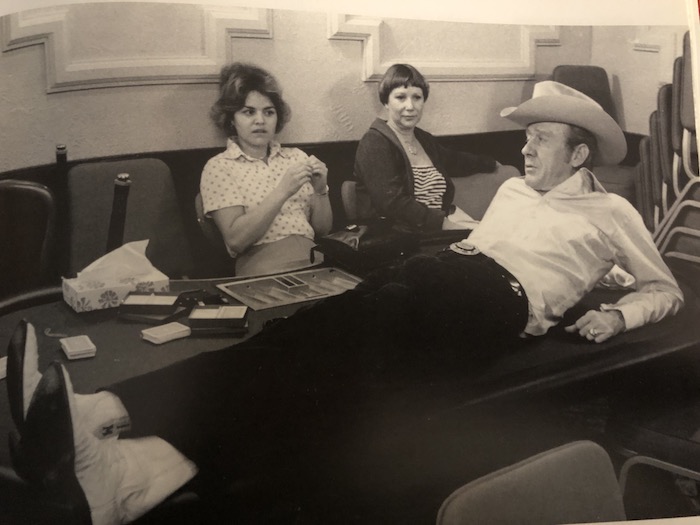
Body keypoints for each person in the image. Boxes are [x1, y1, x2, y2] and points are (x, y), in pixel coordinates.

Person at [7, 81, 684, 525]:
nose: (524, 147)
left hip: (496, 297)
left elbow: (665, 288)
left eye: (540, 139)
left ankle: (126, 441)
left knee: (335, 361)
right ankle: (124, 439)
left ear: (580, 152)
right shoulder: (513, 192)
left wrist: (617, 312)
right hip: (444, 269)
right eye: (526, 136)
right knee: (301, 340)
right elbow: (479, 237)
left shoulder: (610, 212)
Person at [201, 63, 332, 277]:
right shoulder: (219, 167)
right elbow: (236, 241)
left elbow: (322, 230)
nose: (260, 121)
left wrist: (320, 191)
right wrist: (283, 191)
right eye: (248, 112)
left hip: (314, 261)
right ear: (232, 119)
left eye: (269, 112)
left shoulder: (297, 158)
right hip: (264, 268)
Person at [353, 63, 502, 233]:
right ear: (386, 102)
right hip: (397, 236)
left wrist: (490, 163)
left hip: (435, 230)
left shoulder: (423, 139)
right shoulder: (375, 142)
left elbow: (454, 160)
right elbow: (393, 203)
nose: (410, 106)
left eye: (417, 97)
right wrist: (445, 225)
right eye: (401, 97)